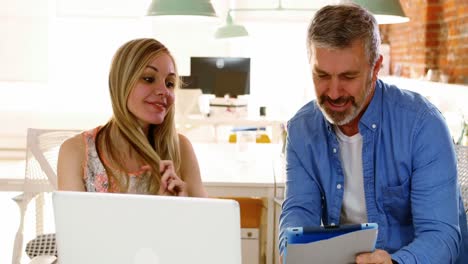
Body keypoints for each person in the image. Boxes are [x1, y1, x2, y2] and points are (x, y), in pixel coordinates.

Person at [279, 4, 468, 264]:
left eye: (348, 76)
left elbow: (441, 236)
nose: (333, 92)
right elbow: (299, 210)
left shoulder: (422, 125)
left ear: (376, 67)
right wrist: (291, 249)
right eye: (322, 75)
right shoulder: (302, 129)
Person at [58, 38, 207, 197]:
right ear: (121, 83)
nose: (164, 91)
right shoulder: (76, 151)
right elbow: (72, 222)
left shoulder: (180, 148)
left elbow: (207, 220)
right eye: (148, 79)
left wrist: (183, 207)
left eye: (169, 83)